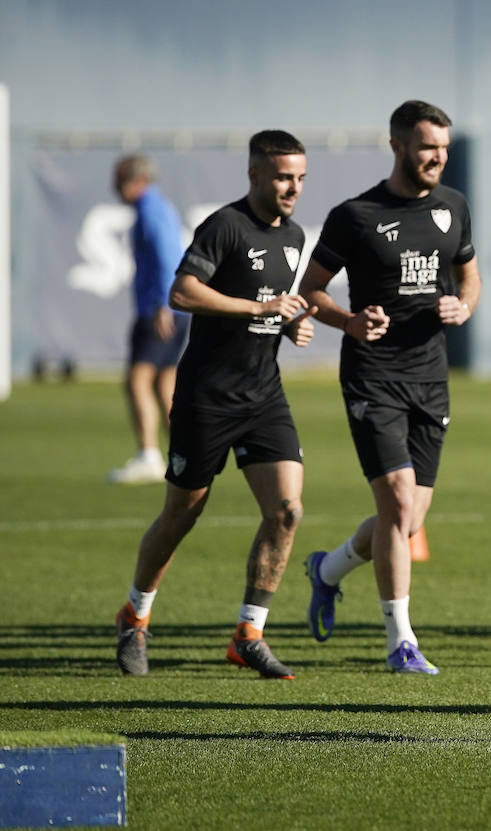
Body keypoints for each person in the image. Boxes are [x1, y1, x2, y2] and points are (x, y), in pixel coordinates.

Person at [114, 131, 314, 678]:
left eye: (299, 177)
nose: (292, 187)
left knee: (287, 511)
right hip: (206, 397)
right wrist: (259, 306)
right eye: (281, 177)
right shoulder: (224, 226)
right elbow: (183, 292)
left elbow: (268, 307)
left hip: (264, 394)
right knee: (182, 515)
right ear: (254, 175)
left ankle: (249, 632)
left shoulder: (295, 235)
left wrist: (289, 320)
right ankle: (135, 615)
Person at [299, 100, 482, 674]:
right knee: (399, 504)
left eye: (445, 148)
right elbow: (312, 290)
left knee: (407, 520)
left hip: (431, 377)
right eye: (428, 147)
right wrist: (349, 322)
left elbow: (470, 275)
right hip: (373, 376)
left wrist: (464, 305)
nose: (438, 158)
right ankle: (400, 641)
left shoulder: (454, 206)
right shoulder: (355, 215)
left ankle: (327, 570)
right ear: (398, 145)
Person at [108, 155, 191, 485]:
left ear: (135, 180)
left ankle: (148, 455)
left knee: (137, 380)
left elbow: (167, 255)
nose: (115, 188)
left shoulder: (149, 208)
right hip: (175, 306)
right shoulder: (159, 206)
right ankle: (182, 454)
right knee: (164, 382)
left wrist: (161, 303)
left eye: (119, 180)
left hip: (160, 308)